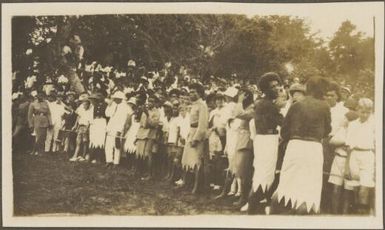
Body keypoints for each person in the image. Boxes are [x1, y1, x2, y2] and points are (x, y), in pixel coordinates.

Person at [271, 76, 331, 214]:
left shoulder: (296, 105)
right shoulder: (324, 106)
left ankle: (273, 218)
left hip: (294, 146)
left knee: (285, 185)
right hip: (313, 147)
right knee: (308, 191)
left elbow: (284, 130)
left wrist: (293, 138)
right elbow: (327, 130)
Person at [247, 72, 284, 214]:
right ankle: (252, 211)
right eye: (272, 86)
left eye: (277, 85)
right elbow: (282, 122)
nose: (276, 89)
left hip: (265, 140)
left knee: (263, 177)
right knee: (263, 178)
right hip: (267, 141)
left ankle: (254, 209)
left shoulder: (264, 103)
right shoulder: (268, 105)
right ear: (266, 89)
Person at [345, 98, 375, 215]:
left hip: (367, 156)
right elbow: (349, 146)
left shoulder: (374, 125)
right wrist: (347, 166)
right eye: (363, 112)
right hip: (354, 156)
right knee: (355, 189)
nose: (365, 114)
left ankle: (366, 216)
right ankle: (358, 217)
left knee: (364, 188)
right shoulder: (352, 125)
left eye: (368, 112)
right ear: (358, 111)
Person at [323, 82, 349, 213]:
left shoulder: (344, 111)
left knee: (333, 177)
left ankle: (329, 207)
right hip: (323, 141)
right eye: (326, 95)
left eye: (331, 95)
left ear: (337, 97)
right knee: (322, 172)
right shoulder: (321, 108)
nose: (328, 97)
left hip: (337, 144)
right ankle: (322, 204)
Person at [181, 83, 209, 194]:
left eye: (194, 92)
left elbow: (202, 125)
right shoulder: (193, 105)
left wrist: (196, 139)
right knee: (188, 160)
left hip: (198, 135)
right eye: (190, 91)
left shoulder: (202, 105)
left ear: (200, 93)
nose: (191, 94)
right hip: (191, 132)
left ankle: (197, 187)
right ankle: (188, 183)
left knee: (197, 162)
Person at [105, 91, 131, 168]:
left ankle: (116, 162)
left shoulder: (125, 107)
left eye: (116, 98)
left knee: (117, 146)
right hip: (110, 127)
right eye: (114, 98)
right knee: (108, 145)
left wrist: (119, 131)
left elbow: (123, 120)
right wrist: (109, 105)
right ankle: (109, 161)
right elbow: (107, 114)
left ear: (120, 99)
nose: (115, 100)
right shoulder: (113, 105)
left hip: (117, 129)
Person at [69, 93, 93, 162]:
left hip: (86, 127)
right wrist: (75, 126)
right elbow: (78, 117)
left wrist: (87, 128)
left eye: (85, 104)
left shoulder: (91, 109)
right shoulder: (81, 107)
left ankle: (83, 156)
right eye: (83, 103)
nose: (84, 105)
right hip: (80, 126)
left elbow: (89, 121)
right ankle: (75, 156)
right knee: (78, 141)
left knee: (85, 142)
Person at [28, 91, 52, 156]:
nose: (40, 96)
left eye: (42, 95)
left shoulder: (46, 103)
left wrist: (50, 122)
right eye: (39, 95)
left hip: (45, 120)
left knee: (43, 137)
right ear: (37, 96)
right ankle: (35, 150)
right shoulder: (33, 104)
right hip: (37, 120)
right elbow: (29, 115)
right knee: (38, 136)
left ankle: (39, 151)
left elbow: (49, 113)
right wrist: (30, 124)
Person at [88, 92, 107, 163]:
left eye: (100, 97)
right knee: (94, 139)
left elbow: (107, 115)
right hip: (96, 122)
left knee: (100, 140)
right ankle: (92, 157)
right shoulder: (95, 106)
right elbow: (93, 115)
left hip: (102, 122)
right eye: (97, 98)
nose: (99, 99)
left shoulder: (106, 105)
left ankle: (99, 158)